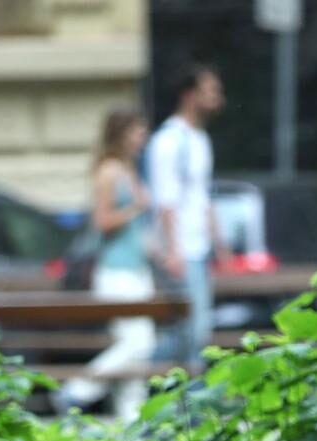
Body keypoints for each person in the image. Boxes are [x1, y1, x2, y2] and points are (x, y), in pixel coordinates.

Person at [55, 107, 156, 421]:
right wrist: (135, 208)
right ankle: (77, 390)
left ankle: (132, 420)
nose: (143, 138)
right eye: (138, 131)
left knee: (138, 350)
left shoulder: (129, 168)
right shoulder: (109, 170)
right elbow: (102, 222)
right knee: (139, 343)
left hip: (138, 268)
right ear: (122, 134)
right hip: (115, 270)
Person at [147, 63, 228, 370]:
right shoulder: (169, 140)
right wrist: (174, 250)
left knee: (195, 331)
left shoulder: (199, 139)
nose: (218, 98)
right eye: (211, 91)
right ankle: (139, 370)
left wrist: (218, 242)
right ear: (189, 95)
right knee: (191, 331)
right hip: (181, 250)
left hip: (199, 248)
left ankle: (187, 402)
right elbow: (165, 200)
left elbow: (201, 196)